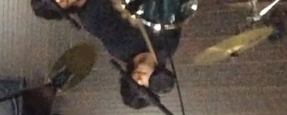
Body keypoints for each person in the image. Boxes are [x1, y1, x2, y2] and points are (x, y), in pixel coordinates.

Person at [30, 0, 180, 108]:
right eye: (143, 85)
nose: (139, 79)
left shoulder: (120, 47)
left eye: (134, 83)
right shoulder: (168, 45)